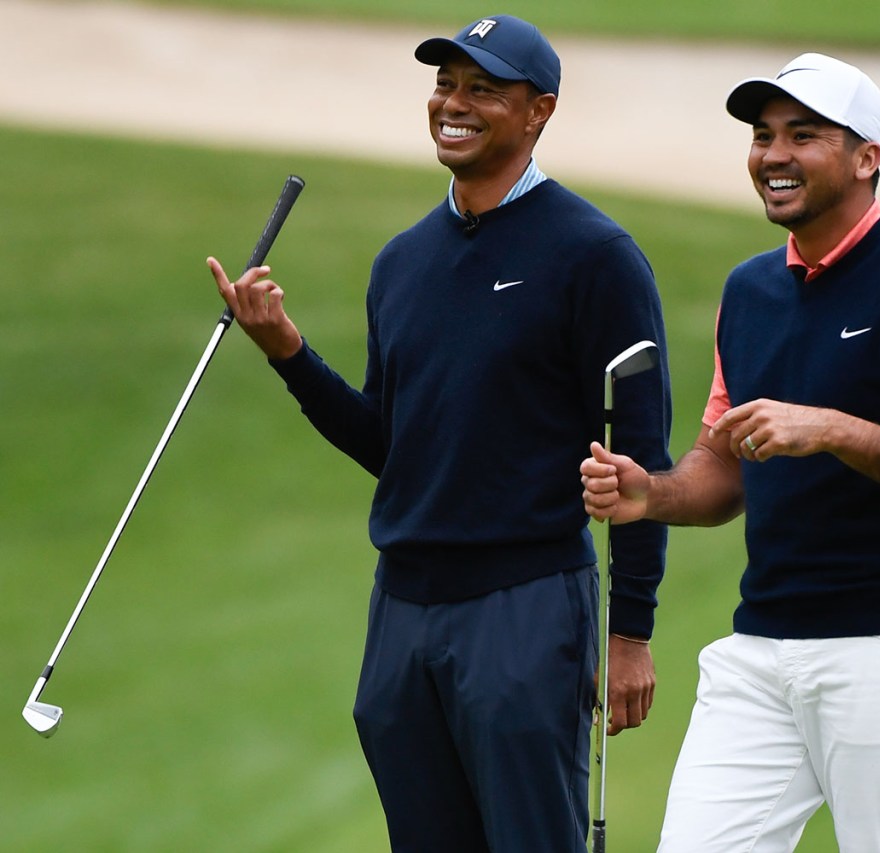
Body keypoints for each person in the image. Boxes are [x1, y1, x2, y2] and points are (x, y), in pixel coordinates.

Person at [207, 15, 671, 853]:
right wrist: (289, 354)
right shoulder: (403, 262)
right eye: (445, 85)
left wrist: (630, 632)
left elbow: (642, 460)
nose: (453, 104)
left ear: (540, 111)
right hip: (403, 610)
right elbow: (393, 448)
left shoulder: (596, 255)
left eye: (483, 89)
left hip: (525, 606)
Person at [580, 52, 880, 852]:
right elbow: (724, 465)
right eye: (763, 135)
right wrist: (654, 493)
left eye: (802, 135)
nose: (772, 154)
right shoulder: (750, 291)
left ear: (866, 157)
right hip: (762, 648)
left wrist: (834, 428)